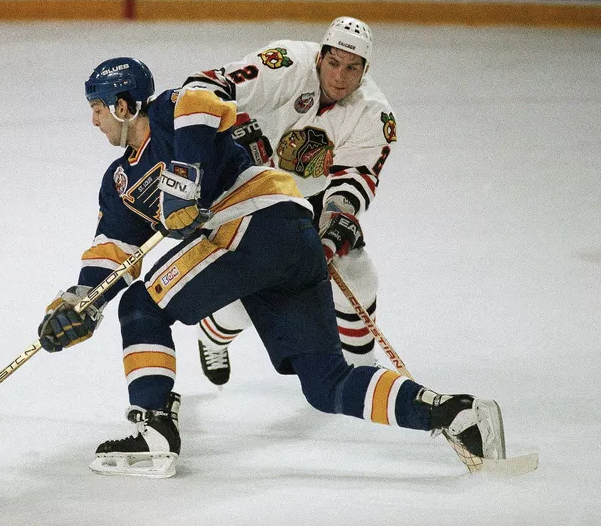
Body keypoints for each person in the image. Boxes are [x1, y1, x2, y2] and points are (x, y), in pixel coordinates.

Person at [35, 55, 506, 478]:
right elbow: (113, 247)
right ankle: (453, 414)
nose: (94, 120)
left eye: (97, 107)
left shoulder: (167, 111)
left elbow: (205, 101)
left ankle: (154, 430)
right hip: (288, 243)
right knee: (327, 384)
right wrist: (84, 299)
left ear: (123, 104)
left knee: (143, 305)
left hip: (254, 221)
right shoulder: (118, 182)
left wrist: (186, 179)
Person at [184, 16, 395, 385]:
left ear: (365, 69)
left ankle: (361, 366)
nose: (340, 77)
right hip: (244, 188)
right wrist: (232, 129)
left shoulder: (373, 112)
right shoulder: (285, 63)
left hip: (306, 199)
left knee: (357, 273)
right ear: (320, 57)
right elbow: (204, 88)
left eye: (352, 68)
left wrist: (335, 224)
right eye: (333, 63)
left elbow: (355, 178)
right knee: (247, 293)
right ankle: (212, 334)